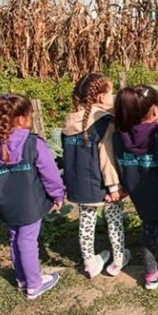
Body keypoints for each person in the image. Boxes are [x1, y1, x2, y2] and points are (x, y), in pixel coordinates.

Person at [0, 93, 64, 299]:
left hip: (5, 205)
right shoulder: (33, 144)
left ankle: (21, 278)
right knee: (28, 240)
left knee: (15, 237)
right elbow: (50, 173)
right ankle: (33, 284)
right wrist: (58, 195)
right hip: (30, 204)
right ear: (22, 118)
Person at [112, 85, 158, 290]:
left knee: (149, 230)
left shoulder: (118, 137)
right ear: (154, 110)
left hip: (138, 195)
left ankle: (151, 274)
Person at [62, 73, 130, 279]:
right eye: (112, 92)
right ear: (100, 97)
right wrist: (114, 187)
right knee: (114, 220)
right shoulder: (105, 123)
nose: (114, 96)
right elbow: (107, 158)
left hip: (79, 186)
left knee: (86, 221)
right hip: (102, 185)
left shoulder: (69, 123)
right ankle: (118, 260)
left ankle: (89, 262)